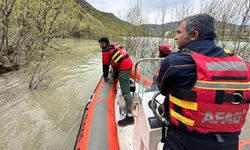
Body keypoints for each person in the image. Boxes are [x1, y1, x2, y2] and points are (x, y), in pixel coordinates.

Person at [157, 14, 250, 150]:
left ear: (193, 35)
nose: (176, 37)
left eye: (179, 32)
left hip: (183, 142)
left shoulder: (175, 63)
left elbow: (162, 89)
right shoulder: (243, 65)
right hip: (229, 143)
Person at [98, 37, 134, 127]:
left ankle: (130, 116)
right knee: (123, 83)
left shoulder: (106, 51)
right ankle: (126, 83)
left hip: (124, 69)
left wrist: (105, 77)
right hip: (127, 64)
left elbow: (105, 66)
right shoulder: (112, 46)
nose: (100, 46)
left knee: (126, 92)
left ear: (103, 43)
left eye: (100, 44)